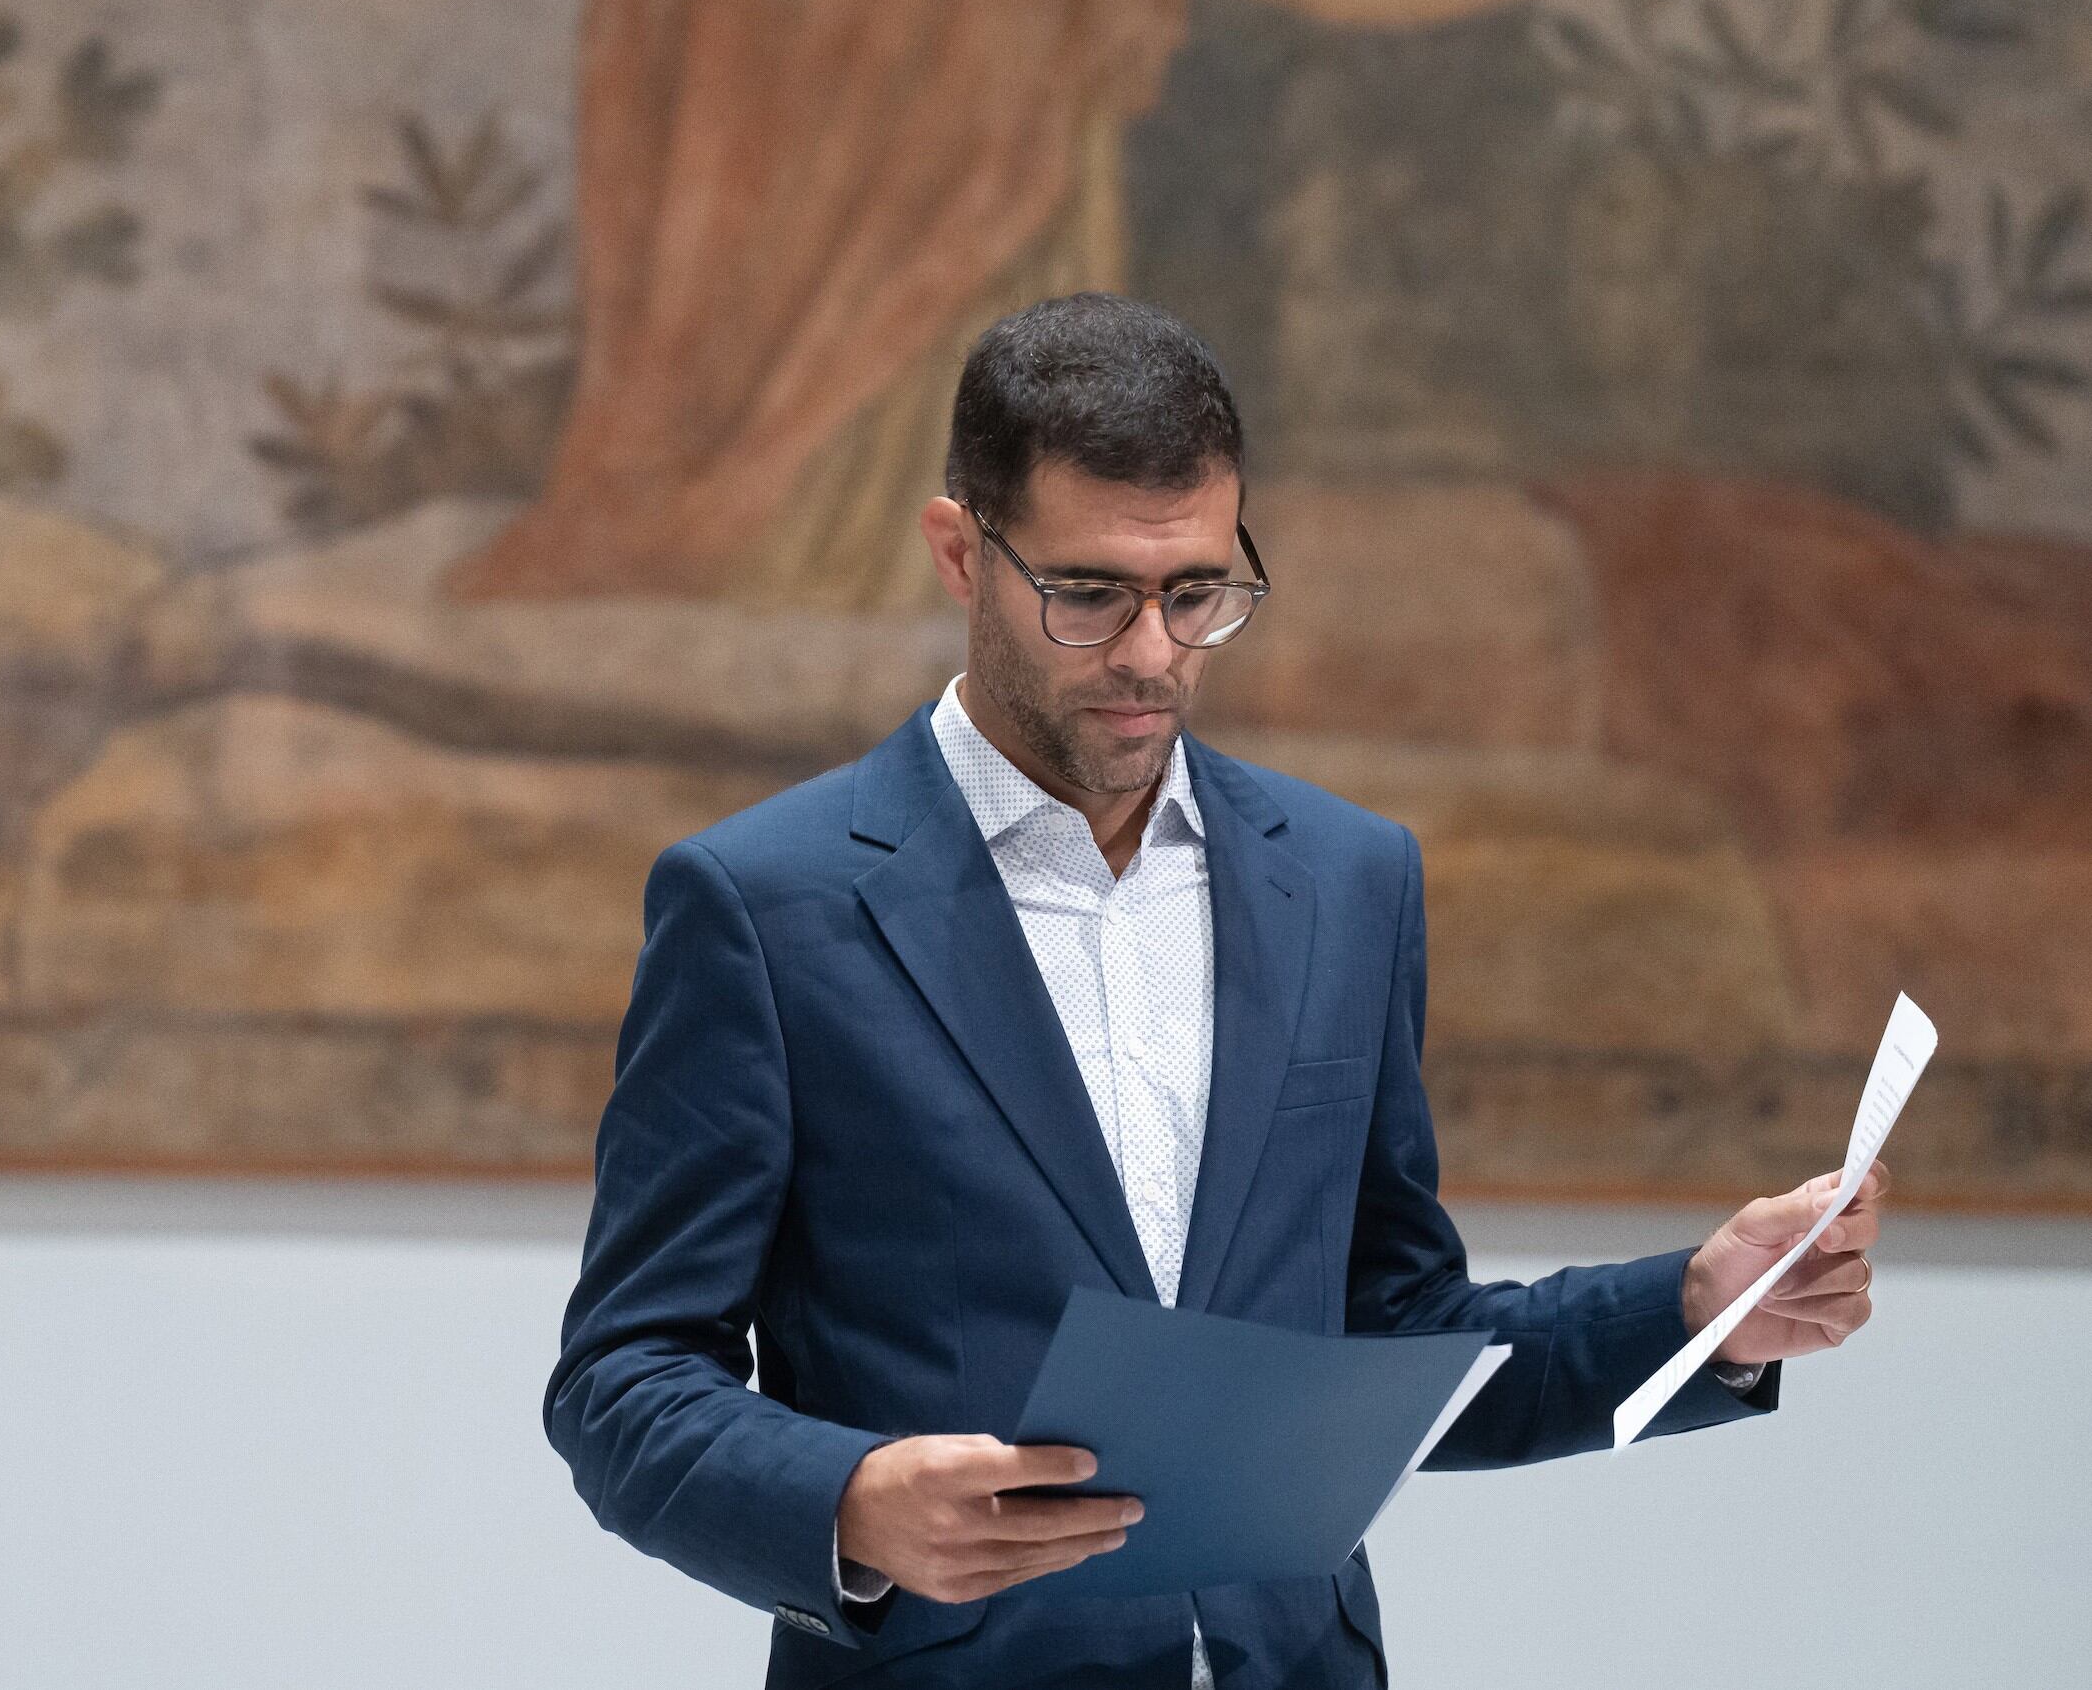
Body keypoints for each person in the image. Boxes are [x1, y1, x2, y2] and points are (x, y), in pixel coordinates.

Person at [543, 293, 1888, 1689]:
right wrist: (852, 1504)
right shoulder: (764, 906)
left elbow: (1387, 1336)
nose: (1150, 654)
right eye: (1087, 596)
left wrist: (1695, 1306)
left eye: (1196, 593)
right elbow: (623, 1380)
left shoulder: (1350, 881)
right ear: (959, 552)